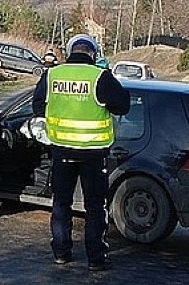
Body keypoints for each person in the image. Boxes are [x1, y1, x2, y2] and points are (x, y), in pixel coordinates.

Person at [31, 34, 129, 271]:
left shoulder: (52, 74)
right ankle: (96, 258)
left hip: (61, 150)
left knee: (61, 203)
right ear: (93, 54)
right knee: (95, 206)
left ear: (69, 51)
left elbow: (37, 106)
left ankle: (61, 253)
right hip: (93, 154)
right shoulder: (100, 76)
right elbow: (123, 105)